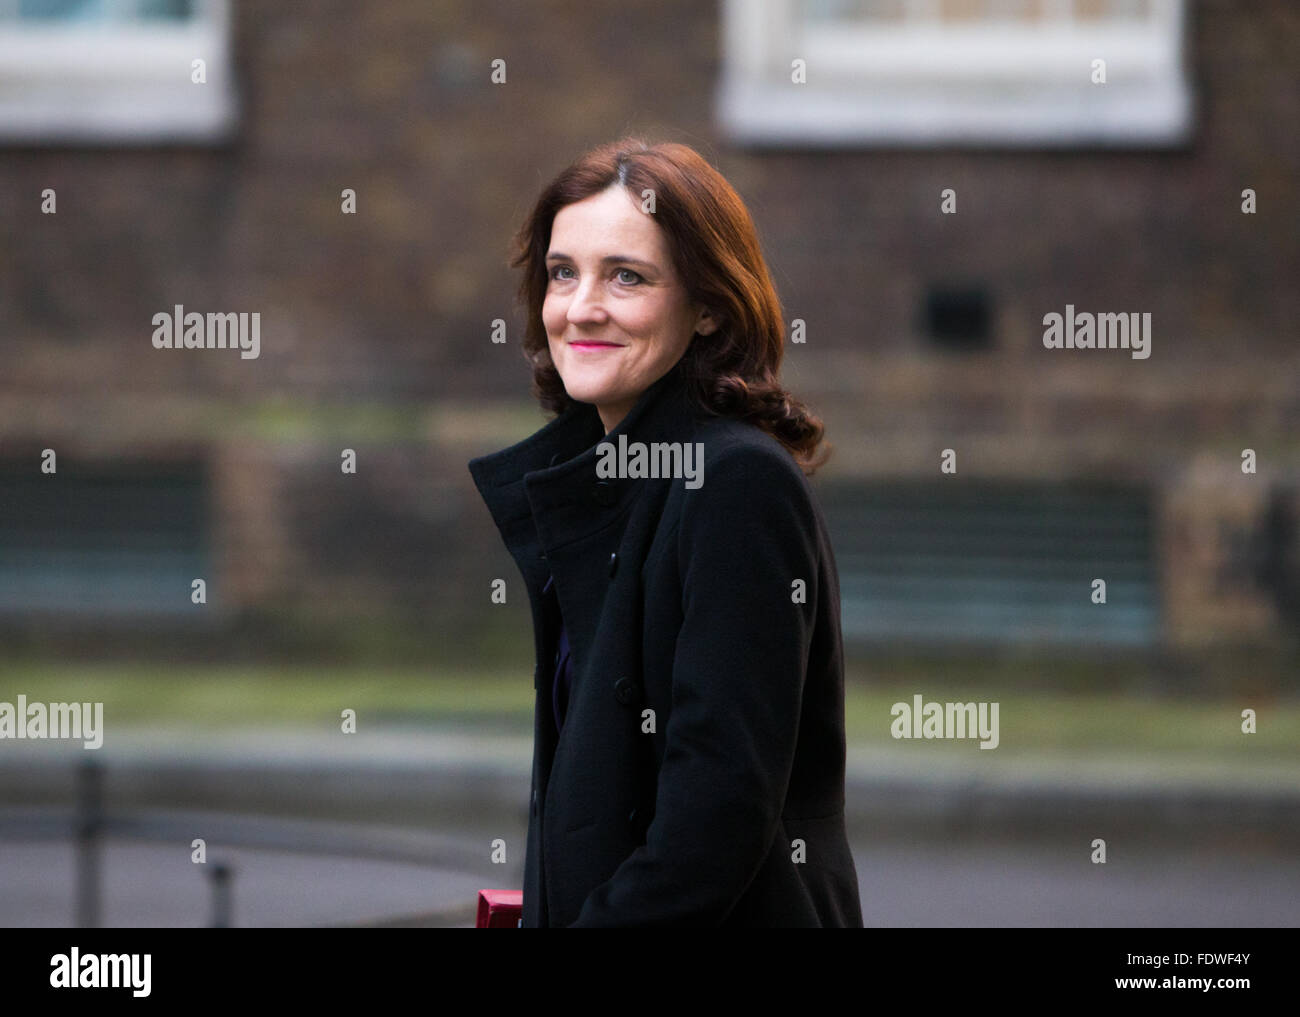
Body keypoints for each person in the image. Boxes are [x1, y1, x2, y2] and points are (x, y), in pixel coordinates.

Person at [467, 137, 863, 927]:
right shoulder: (615, 476)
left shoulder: (735, 484)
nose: (581, 307)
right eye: (562, 272)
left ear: (710, 304)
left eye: (627, 276)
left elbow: (714, 821)